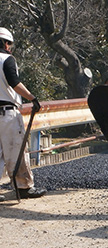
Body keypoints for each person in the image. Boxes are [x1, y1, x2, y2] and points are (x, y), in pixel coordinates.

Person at [0, 27, 47, 201]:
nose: (9, 47)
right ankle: (24, 187)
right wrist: (32, 98)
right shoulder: (7, 59)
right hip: (7, 114)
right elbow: (14, 83)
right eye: (9, 43)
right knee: (17, 150)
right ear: (5, 43)